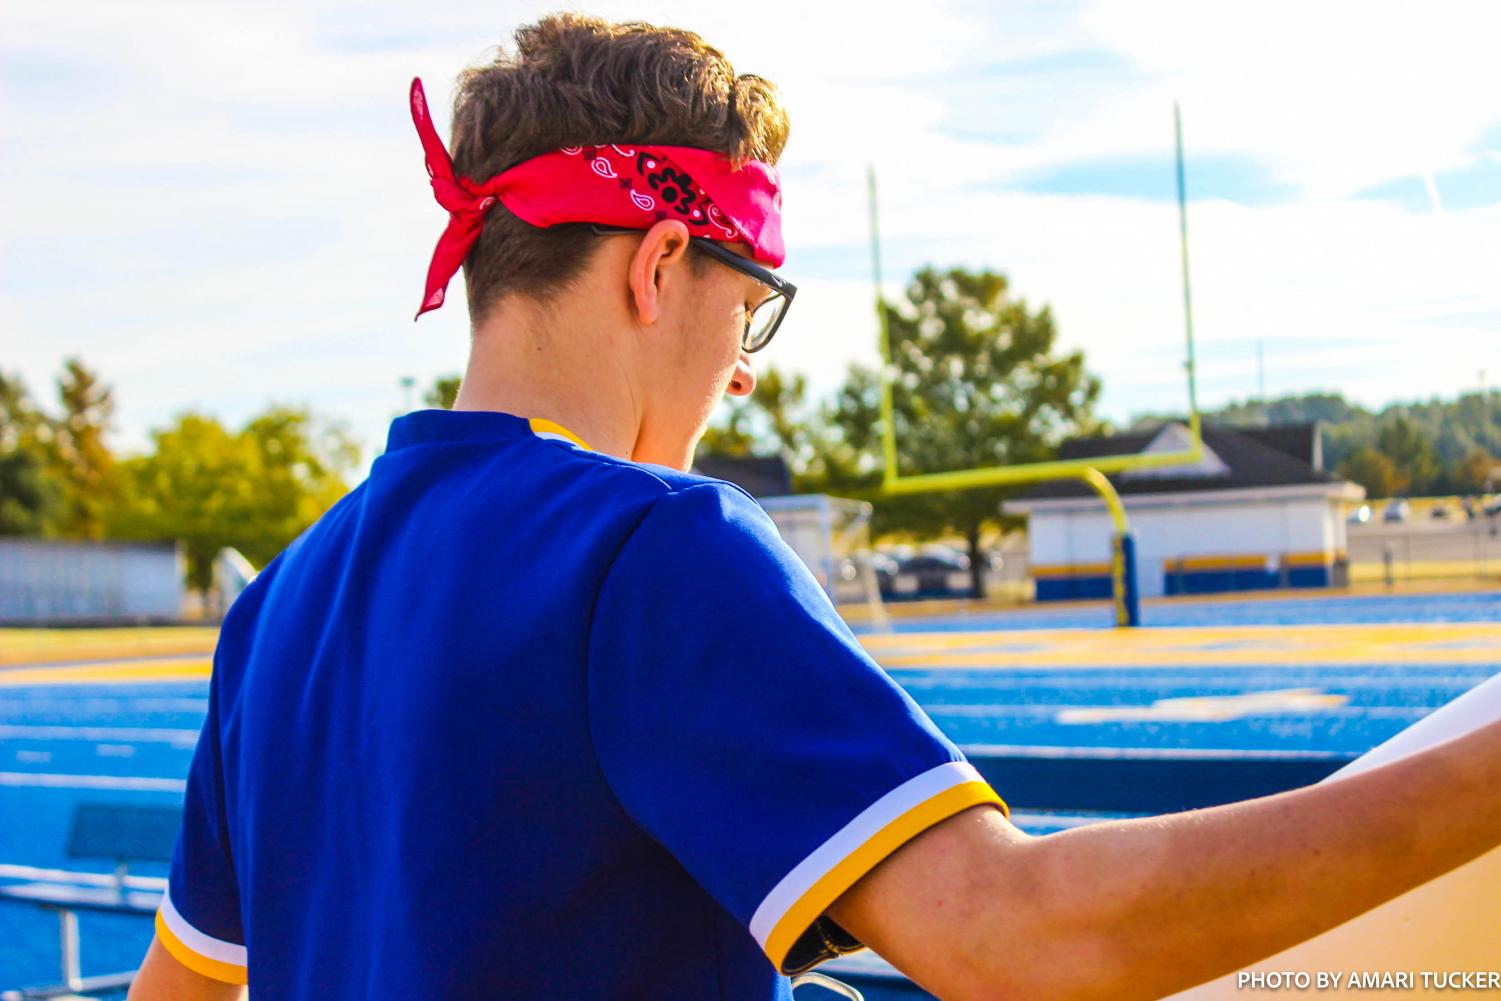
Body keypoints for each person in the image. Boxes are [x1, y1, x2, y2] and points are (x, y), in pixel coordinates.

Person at [129, 14, 1501, 1001]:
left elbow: (185, 990)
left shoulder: (277, 606)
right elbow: (1020, 939)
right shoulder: (647, 548)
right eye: (750, 310)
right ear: (659, 262)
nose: (739, 367)